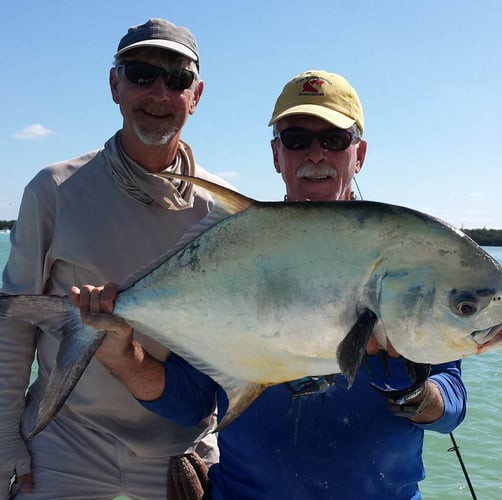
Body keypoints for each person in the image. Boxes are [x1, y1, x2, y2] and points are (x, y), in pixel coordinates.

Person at [71, 70, 467, 499]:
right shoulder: (239, 250)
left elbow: (451, 403)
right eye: (296, 138)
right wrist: (122, 355)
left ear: (360, 154)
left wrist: (415, 392)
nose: (315, 153)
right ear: (277, 155)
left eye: (334, 139)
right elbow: (190, 401)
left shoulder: (407, 255)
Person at [0, 18, 234, 500]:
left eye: (177, 79)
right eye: (142, 73)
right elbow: (12, 328)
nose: (158, 93)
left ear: (197, 95)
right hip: (66, 441)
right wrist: (5, 441)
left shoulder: (223, 212)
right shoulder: (55, 190)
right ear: (114, 84)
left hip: (179, 450)